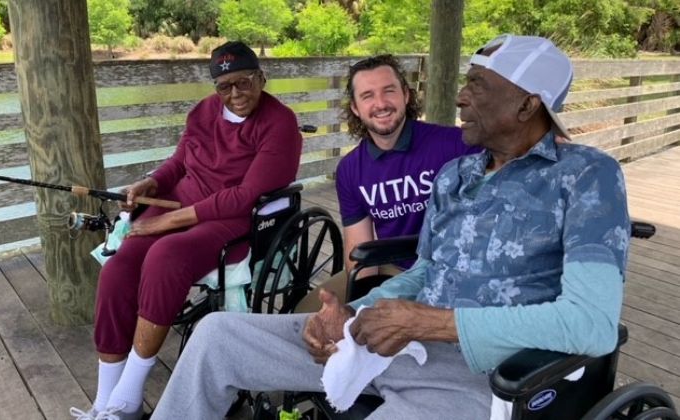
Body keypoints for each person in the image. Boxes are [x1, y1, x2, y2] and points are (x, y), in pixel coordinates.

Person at [151, 34, 630, 419]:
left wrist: (432, 322)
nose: (461, 95)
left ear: (527, 105)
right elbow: (425, 271)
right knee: (216, 335)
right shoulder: (457, 174)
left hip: (488, 372)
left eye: (477, 85)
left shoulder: (586, 176)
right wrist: (356, 312)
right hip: (398, 341)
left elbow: (592, 326)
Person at [69, 41, 303, 420]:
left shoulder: (280, 123)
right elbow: (179, 163)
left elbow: (245, 197)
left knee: (166, 255)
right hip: (180, 205)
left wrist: (167, 222)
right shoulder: (203, 112)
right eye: (224, 87)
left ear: (261, 78)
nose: (235, 94)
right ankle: (103, 399)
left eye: (244, 83)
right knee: (118, 268)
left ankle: (127, 399)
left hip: (231, 219)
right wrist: (149, 183)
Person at [295, 54, 479, 312]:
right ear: (356, 109)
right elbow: (360, 254)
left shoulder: (456, 144)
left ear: (406, 95)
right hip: (394, 266)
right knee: (305, 314)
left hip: (452, 269)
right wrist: (361, 308)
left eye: (389, 91)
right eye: (367, 96)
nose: (380, 103)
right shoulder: (350, 170)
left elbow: (512, 150)